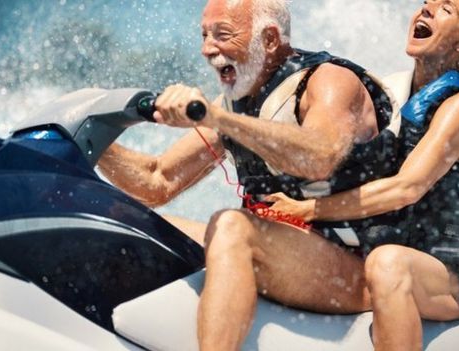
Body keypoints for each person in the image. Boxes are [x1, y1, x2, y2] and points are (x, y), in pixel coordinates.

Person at [98, 0, 401, 349]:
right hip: (280, 248)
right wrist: (90, 136)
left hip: (351, 268)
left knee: (232, 226)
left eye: (222, 35)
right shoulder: (235, 101)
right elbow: (157, 181)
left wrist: (218, 120)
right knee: (129, 223)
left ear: (270, 39)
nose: (208, 49)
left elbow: (318, 157)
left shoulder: (330, 81)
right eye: (204, 35)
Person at [262, 0, 459, 350]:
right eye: (425, 3)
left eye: (445, 9)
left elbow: (405, 188)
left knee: (387, 261)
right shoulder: (397, 96)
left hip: (456, 279)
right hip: (389, 252)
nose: (425, 10)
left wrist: (307, 211)